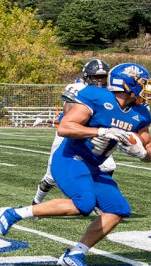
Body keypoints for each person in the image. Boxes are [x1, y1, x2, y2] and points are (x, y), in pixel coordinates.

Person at [0, 63, 151, 266]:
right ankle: (14, 213)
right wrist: (100, 131)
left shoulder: (139, 113)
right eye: (144, 83)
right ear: (126, 84)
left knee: (118, 209)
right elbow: (64, 127)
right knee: (84, 204)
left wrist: (141, 153)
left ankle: (75, 254)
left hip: (94, 165)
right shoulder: (96, 97)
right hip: (70, 157)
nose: (147, 89)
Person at [31, 59, 116, 208]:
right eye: (96, 77)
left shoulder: (109, 92)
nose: (100, 80)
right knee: (51, 176)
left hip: (93, 135)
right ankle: (36, 202)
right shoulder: (77, 88)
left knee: (108, 166)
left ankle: (96, 200)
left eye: (103, 76)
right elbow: (68, 113)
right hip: (70, 133)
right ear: (87, 77)